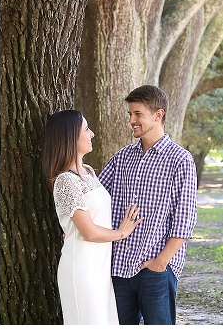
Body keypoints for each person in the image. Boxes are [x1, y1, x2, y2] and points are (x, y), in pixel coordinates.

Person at [98, 85, 198, 325]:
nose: (132, 120)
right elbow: (96, 197)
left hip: (156, 269)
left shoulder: (180, 159)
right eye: (130, 114)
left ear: (158, 115)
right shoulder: (122, 157)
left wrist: (161, 262)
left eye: (138, 114)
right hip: (119, 268)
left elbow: (184, 219)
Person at [42, 110, 143, 324]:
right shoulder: (65, 181)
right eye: (86, 129)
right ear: (70, 137)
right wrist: (122, 233)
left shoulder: (88, 172)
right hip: (83, 271)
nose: (93, 134)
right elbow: (88, 231)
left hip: (100, 268)